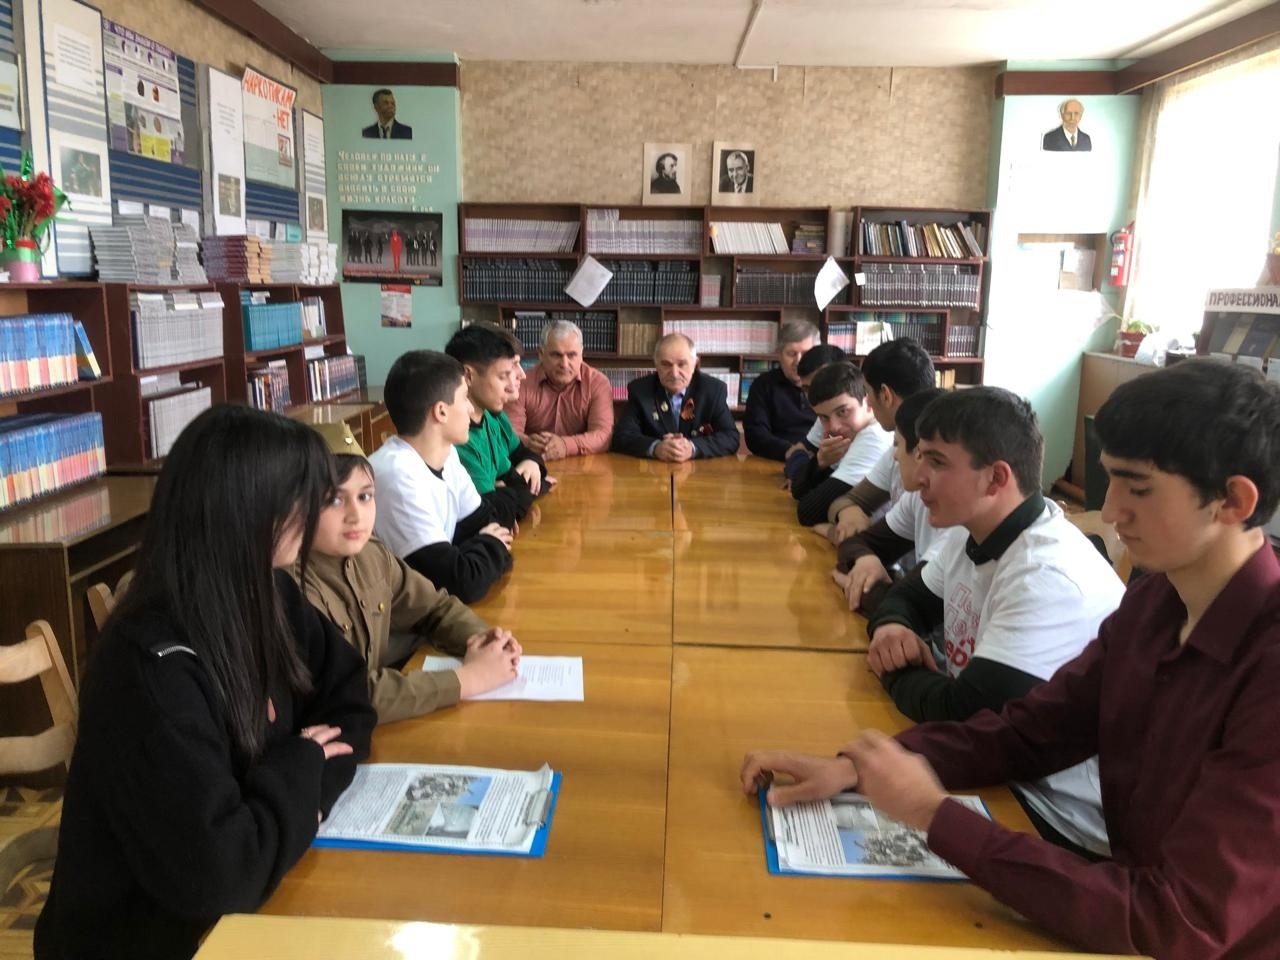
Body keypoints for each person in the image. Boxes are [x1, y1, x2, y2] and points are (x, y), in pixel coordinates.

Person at [741, 359, 1280, 958]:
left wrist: (933, 814)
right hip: (1118, 899)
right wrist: (863, 767)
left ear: (1232, 501)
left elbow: (1178, 921)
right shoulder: (1158, 600)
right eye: (1111, 481)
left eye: (1138, 488)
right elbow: (1033, 731)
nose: (1111, 511)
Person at [34, 405, 377, 960]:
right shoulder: (148, 671)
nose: (315, 511)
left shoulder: (270, 592)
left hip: (247, 906)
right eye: (301, 496)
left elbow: (349, 700)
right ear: (247, 510)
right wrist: (299, 770)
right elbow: (221, 875)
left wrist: (305, 797)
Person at [861, 386, 1121, 855]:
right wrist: (892, 628)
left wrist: (893, 668)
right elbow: (907, 597)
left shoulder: (1045, 574)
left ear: (996, 478)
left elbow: (967, 715)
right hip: (1000, 774)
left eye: (937, 462)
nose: (918, 478)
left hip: (1057, 817)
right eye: (920, 457)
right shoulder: (973, 532)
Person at [297, 421, 522, 724]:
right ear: (298, 506)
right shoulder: (292, 586)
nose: (356, 516)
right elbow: (345, 695)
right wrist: (467, 680)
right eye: (335, 500)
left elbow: (434, 607)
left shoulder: (371, 554)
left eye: (365, 496)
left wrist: (483, 640)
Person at [368, 350, 514, 604]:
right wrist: (482, 547)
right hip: (396, 619)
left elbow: (492, 525)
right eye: (465, 397)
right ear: (441, 411)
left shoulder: (448, 455)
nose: (470, 408)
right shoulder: (397, 475)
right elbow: (461, 583)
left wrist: (473, 550)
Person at [831, 387, 949, 615]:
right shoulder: (918, 496)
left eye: (897, 444)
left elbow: (907, 607)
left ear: (920, 453)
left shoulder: (961, 523)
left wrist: (864, 588)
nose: (894, 455)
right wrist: (866, 558)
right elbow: (854, 544)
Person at [824, 338, 936, 542]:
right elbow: (843, 502)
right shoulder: (899, 448)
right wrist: (847, 512)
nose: (866, 402)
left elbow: (872, 543)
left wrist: (833, 531)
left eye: (867, 393)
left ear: (885, 395)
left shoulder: (923, 469)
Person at [445, 324, 549, 527]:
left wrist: (509, 485)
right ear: (468, 376)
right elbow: (493, 516)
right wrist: (515, 490)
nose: (521, 376)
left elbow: (521, 466)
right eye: (504, 375)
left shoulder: (492, 416)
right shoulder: (459, 438)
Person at [791, 361, 893, 526]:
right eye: (824, 417)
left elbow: (808, 512)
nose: (834, 426)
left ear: (868, 403)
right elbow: (797, 490)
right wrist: (820, 463)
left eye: (843, 412)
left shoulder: (874, 437)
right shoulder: (850, 433)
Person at [611, 333, 740, 461]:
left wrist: (692, 448)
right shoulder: (640, 390)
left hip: (698, 469)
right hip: (654, 469)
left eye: (682, 364)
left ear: (695, 364)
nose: (674, 373)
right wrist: (655, 447)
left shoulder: (713, 390)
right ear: (656, 364)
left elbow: (730, 437)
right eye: (666, 364)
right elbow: (622, 436)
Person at [506, 319, 614, 460]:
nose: (564, 364)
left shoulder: (598, 383)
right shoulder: (522, 383)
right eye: (556, 355)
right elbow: (509, 432)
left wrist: (565, 445)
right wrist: (528, 443)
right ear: (541, 354)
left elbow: (603, 436)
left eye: (572, 355)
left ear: (581, 354)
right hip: (532, 460)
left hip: (582, 463)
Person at [743, 319, 818, 462]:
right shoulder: (763, 385)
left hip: (821, 458)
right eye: (791, 353)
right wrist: (790, 451)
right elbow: (755, 435)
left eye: (806, 354)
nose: (798, 361)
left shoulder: (828, 385)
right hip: (776, 459)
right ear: (779, 355)